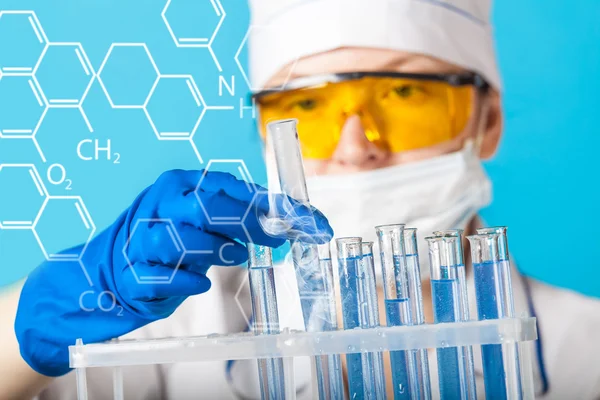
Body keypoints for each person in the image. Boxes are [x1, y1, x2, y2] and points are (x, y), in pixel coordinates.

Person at [2, 0, 600, 398]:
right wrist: (47, 311)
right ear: (269, 132)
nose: (355, 147)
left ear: (487, 119)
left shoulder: (587, 348)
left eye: (403, 95)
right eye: (307, 107)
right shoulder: (180, 327)